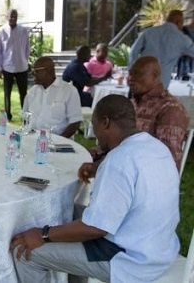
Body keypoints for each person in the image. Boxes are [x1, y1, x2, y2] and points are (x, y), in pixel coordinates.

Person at [11, 94, 180, 283]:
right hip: (159, 246)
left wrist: (42, 234)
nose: (95, 134)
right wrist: (97, 168)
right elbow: (133, 174)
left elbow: (95, 229)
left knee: (25, 251)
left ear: (105, 122)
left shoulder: (119, 160)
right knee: (71, 210)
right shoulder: (155, 147)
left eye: (95, 125)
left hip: (130, 259)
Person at [79, 56, 189, 180]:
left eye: (137, 74)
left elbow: (166, 163)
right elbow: (116, 141)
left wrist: (101, 167)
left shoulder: (170, 110)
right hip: (114, 164)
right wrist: (87, 154)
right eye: (130, 74)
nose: (130, 79)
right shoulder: (133, 102)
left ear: (155, 75)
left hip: (135, 180)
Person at [129, 9, 194, 89]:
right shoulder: (183, 39)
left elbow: (133, 52)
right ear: (179, 22)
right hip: (161, 82)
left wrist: (132, 72)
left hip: (141, 79)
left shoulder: (149, 32)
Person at [23, 57, 82, 138]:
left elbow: (75, 122)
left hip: (58, 141)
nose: (32, 74)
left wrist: (59, 141)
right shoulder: (32, 92)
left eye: (35, 71)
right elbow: (25, 117)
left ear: (46, 71)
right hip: (32, 138)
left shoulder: (69, 91)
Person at [0, 9, 30, 122]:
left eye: (14, 16)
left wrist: (25, 60)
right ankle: (8, 116)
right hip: (7, 67)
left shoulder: (23, 31)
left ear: (17, 17)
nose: (12, 18)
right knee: (7, 94)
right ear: (7, 17)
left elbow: (27, 48)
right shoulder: (1, 32)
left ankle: (25, 117)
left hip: (21, 67)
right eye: (10, 16)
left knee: (24, 94)